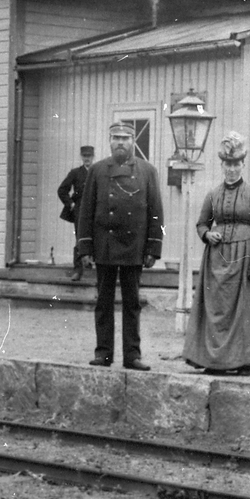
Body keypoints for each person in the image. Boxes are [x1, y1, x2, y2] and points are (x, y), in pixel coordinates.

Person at [182, 132, 250, 375]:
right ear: (222, 165)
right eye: (228, 164)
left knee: (245, 309)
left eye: (236, 164)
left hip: (245, 257)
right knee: (216, 309)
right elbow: (201, 224)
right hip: (217, 259)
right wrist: (207, 234)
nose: (232, 169)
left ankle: (244, 361)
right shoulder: (213, 194)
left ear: (243, 164)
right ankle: (214, 361)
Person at [76, 121, 164, 371]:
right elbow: (86, 211)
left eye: (125, 138)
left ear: (133, 142)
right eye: (116, 138)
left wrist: (153, 248)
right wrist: (85, 247)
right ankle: (103, 353)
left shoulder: (147, 171)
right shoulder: (97, 170)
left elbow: (156, 211)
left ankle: (132, 356)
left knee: (132, 303)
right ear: (110, 141)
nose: (121, 143)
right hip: (104, 245)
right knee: (103, 302)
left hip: (134, 246)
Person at [57, 145, 96, 282]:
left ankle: (95, 267)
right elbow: (62, 190)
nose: (87, 159)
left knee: (98, 237)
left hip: (96, 210)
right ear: (81, 157)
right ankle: (77, 270)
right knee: (80, 238)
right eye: (84, 156)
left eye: (89, 156)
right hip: (80, 211)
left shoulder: (98, 172)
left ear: (93, 157)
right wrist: (71, 204)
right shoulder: (75, 173)